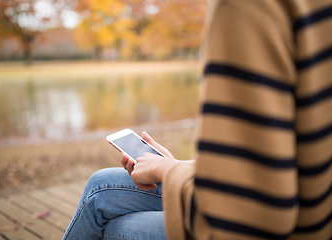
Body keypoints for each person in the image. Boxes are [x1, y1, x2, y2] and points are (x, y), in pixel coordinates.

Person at [63, 0, 332, 239]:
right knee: (101, 185)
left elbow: (252, 219)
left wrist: (164, 171)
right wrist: (178, 165)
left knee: (114, 229)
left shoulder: (244, 8)